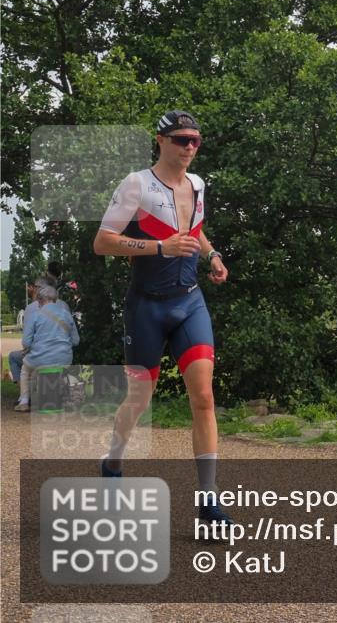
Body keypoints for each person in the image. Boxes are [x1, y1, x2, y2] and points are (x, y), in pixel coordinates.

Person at [93, 109, 231, 527]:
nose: (189, 147)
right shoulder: (137, 184)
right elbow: (103, 242)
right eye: (181, 140)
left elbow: (195, 228)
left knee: (204, 397)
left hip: (190, 302)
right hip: (146, 307)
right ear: (161, 140)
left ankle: (208, 503)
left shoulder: (198, 184)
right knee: (139, 400)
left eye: (195, 141)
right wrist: (159, 248)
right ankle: (113, 461)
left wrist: (212, 254)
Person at [15, 284, 79, 412]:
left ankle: (24, 402)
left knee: (25, 370)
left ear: (39, 300)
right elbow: (76, 341)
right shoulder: (67, 315)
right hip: (64, 359)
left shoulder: (35, 315)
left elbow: (26, 343)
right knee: (58, 366)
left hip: (40, 359)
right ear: (56, 299)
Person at [8, 276, 66, 389]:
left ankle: (26, 396)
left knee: (13, 357)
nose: (31, 289)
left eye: (34, 286)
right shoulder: (63, 305)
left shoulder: (31, 308)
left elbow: (26, 342)